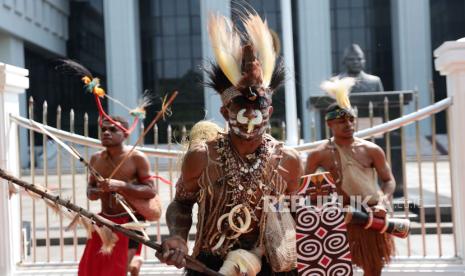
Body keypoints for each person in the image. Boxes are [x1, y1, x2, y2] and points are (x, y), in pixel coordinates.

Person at [156, 12, 302, 275]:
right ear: (225, 113)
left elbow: (292, 213)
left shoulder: (288, 161)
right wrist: (177, 236)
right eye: (241, 109)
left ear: (269, 113)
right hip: (210, 264)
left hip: (268, 266)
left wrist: (260, 253)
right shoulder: (202, 156)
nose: (250, 118)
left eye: (258, 110)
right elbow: (181, 203)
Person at [305, 78, 395, 276]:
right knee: (337, 269)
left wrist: (383, 201)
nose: (348, 124)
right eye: (341, 121)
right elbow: (306, 187)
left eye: (350, 119)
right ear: (329, 123)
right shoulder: (319, 154)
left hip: (370, 214)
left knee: (373, 268)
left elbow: (388, 180)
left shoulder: (372, 149)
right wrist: (324, 208)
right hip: (338, 217)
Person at [79, 116, 159, 276]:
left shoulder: (137, 158)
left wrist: (121, 185)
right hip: (104, 220)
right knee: (90, 270)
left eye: (113, 129)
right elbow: (90, 192)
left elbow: (151, 190)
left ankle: (132, 263)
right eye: (103, 129)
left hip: (130, 221)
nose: (106, 132)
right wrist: (96, 191)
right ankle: (134, 263)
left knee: (117, 270)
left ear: (125, 134)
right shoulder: (96, 158)